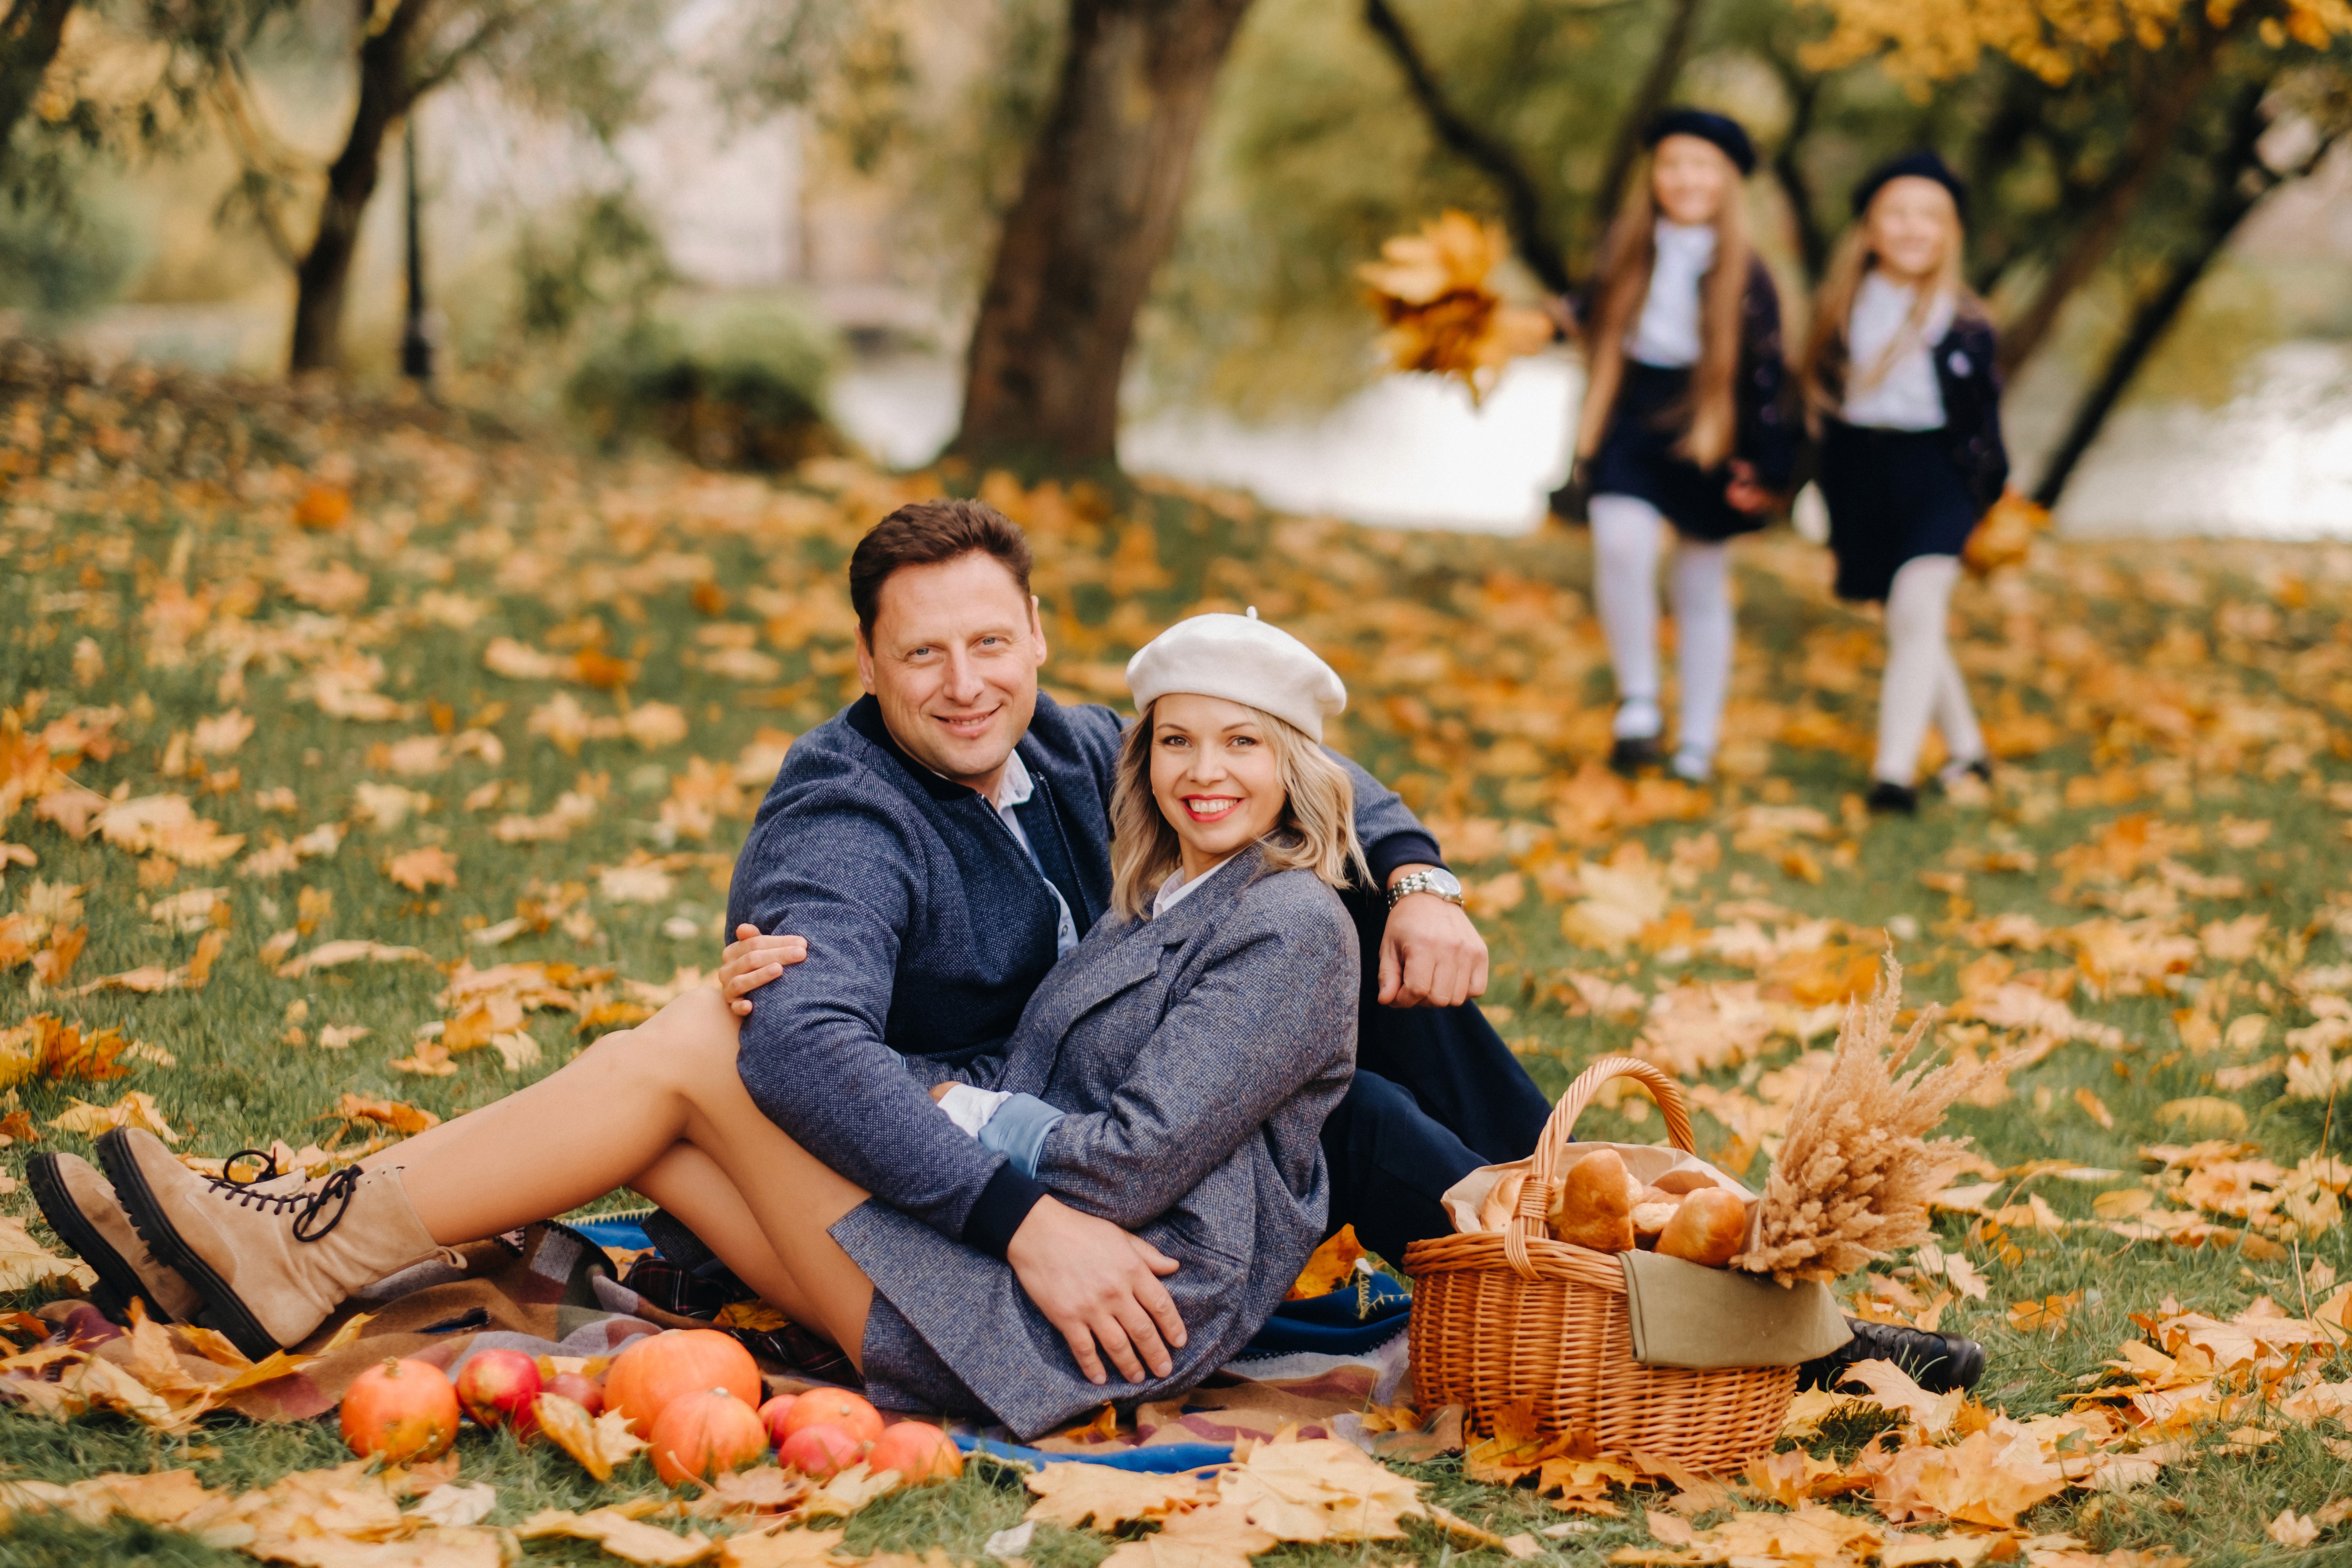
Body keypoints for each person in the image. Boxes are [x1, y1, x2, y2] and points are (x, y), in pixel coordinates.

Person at [76, 612, 1369, 1438]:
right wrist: (923, 1085)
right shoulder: (1162, 893)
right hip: (1028, 1272)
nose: (1204, 773)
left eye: (1242, 747)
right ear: (1142, 757)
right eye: (1177, 743)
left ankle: (299, 1240)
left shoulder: (1291, 926)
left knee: (703, 1039)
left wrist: (949, 1109)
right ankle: (287, 1236)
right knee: (674, 1087)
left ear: (1297, 769)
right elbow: (1036, 1073)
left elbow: (1126, 1162)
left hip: (1085, 1318)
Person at [1551, 108, 1795, 783]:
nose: (1687, 179)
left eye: (1702, 167)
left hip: (1710, 424)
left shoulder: (1749, 275)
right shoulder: (1627, 251)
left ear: (1727, 182)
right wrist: (1518, 326)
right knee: (1620, 542)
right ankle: (1638, 702)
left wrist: (1768, 466)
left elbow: (1769, 376)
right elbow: (1583, 311)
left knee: (1700, 582)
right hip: (1633, 415)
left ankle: (1698, 739)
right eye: (1673, 165)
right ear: (1654, 176)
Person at [1796, 151, 2008, 815]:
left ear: (1951, 233)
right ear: (1869, 228)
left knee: (1918, 604)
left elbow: (1986, 422)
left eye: (1930, 216)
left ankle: (1893, 773)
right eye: (1898, 214)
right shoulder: (1840, 310)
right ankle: (1968, 747)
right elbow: (1815, 403)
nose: (1914, 228)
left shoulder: (1965, 321)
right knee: (1908, 616)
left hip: (1938, 473)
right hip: (1860, 473)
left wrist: (1991, 497)